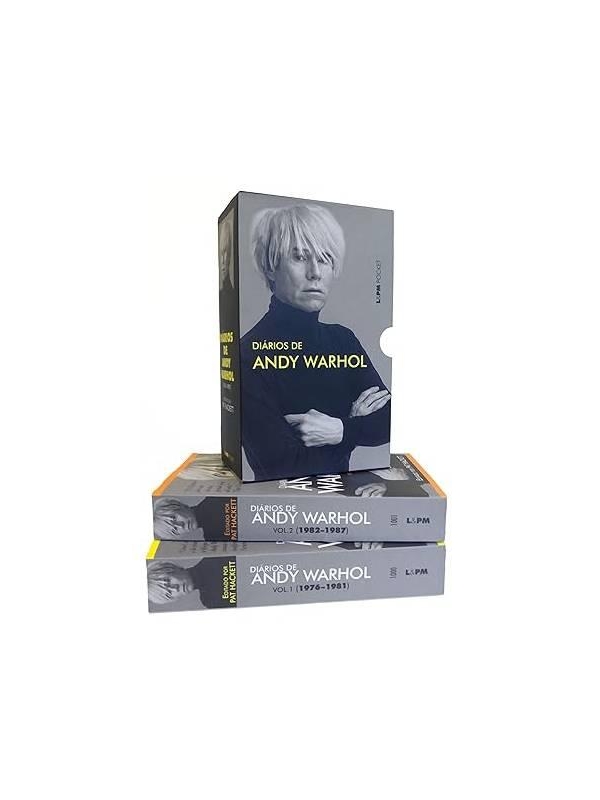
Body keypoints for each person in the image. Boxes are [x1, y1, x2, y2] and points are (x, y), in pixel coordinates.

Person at [241, 203, 391, 480]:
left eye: (324, 259)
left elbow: (388, 421)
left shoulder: (342, 340)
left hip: (344, 497)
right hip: (283, 502)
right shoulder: (248, 356)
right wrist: (354, 423)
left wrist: (341, 430)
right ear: (271, 267)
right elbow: (285, 466)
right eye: (299, 257)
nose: (315, 273)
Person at [147, 559, 226, 608]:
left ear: (170, 567)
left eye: (168, 581)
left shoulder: (213, 559)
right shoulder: (210, 601)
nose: (175, 589)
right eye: (169, 594)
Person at [153, 496, 228, 540]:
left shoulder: (217, 498)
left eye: (174, 518)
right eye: (175, 530)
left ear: (177, 505)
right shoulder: (213, 539)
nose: (180, 526)